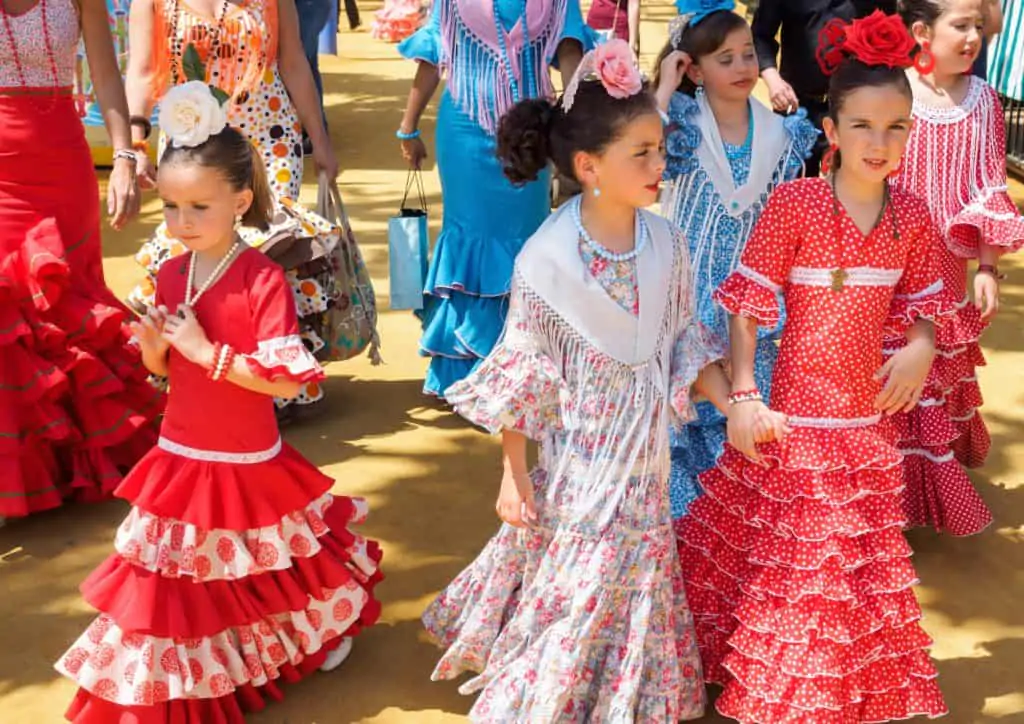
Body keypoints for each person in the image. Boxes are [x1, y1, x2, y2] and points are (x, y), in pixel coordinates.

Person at [422, 40, 730, 721]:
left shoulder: (667, 243)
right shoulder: (544, 260)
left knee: (635, 575)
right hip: (581, 467)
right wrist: (513, 471)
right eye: (641, 153)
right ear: (589, 167)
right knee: (582, 586)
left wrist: (734, 404)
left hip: (645, 464)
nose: (659, 164)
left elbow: (685, 340)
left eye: (660, 147)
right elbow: (523, 372)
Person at [55, 84, 382, 721]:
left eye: (198, 207)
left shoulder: (263, 278)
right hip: (179, 452)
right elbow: (168, 374)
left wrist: (209, 354)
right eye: (172, 207)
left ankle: (320, 632)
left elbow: (290, 382)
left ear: (240, 199)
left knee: (269, 571)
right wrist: (156, 351)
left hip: (245, 456)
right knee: (176, 582)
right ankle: (181, 679)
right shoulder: (173, 271)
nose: (181, 223)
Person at [677, 12, 952, 721]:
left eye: (895, 128)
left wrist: (921, 343)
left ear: (910, 134)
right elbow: (746, 304)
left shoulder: (914, 219)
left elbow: (927, 304)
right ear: (831, 133)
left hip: (867, 431)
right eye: (862, 126)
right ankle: (781, 693)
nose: (879, 143)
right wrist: (742, 394)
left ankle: (823, 695)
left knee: (838, 581)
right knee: (787, 575)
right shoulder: (796, 204)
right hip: (791, 427)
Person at [124, 0, 342, 418]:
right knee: (204, 253)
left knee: (267, 251)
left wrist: (321, 139)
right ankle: (204, 375)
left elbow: (294, 61)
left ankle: (269, 383)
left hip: (269, 138)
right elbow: (141, 68)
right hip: (190, 139)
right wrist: (135, 143)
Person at [0, 0, 164, 520]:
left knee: (64, 303)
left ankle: (69, 463)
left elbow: (104, 72)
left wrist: (122, 158)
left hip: (61, 161)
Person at [653, 0, 817, 518]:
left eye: (749, 54)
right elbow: (639, 147)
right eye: (725, 59)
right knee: (689, 416)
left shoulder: (784, 134)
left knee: (751, 410)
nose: (744, 67)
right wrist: (662, 84)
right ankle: (688, 525)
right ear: (694, 70)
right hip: (688, 289)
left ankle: (736, 528)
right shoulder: (678, 126)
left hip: (752, 297)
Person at [396, 0, 592, 397]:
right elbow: (435, 52)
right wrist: (408, 126)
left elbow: (571, 50)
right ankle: (465, 375)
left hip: (531, 135)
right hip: (465, 128)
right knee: (468, 239)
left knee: (529, 245)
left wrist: (577, 123)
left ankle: (526, 370)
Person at [888, 0, 1024, 535]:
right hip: (887, 261)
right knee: (887, 368)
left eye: (977, 27)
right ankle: (880, 489)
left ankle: (917, 497)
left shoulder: (987, 102)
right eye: (959, 26)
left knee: (929, 372)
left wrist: (987, 267)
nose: (972, 37)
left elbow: (992, 184)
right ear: (922, 32)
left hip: (944, 268)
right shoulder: (896, 91)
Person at [751, 0, 896, 176]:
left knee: (845, 192)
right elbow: (760, 35)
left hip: (851, 112)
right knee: (788, 188)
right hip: (796, 108)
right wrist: (773, 79)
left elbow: (889, 48)